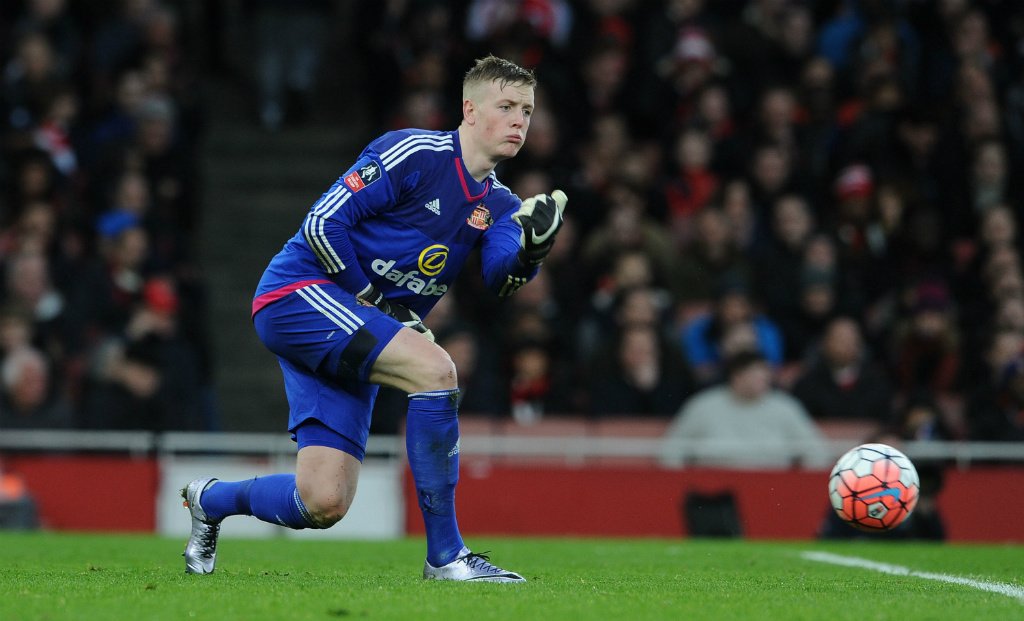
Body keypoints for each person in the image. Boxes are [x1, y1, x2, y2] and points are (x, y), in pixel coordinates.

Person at [180, 56, 567, 583]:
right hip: (298, 294)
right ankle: (446, 556)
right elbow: (322, 224)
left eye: (527, 109)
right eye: (507, 106)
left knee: (323, 502)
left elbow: (501, 278)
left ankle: (209, 500)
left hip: (355, 328)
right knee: (436, 371)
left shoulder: (500, 204)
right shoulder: (414, 153)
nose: (520, 120)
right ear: (470, 110)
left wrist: (531, 250)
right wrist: (371, 299)